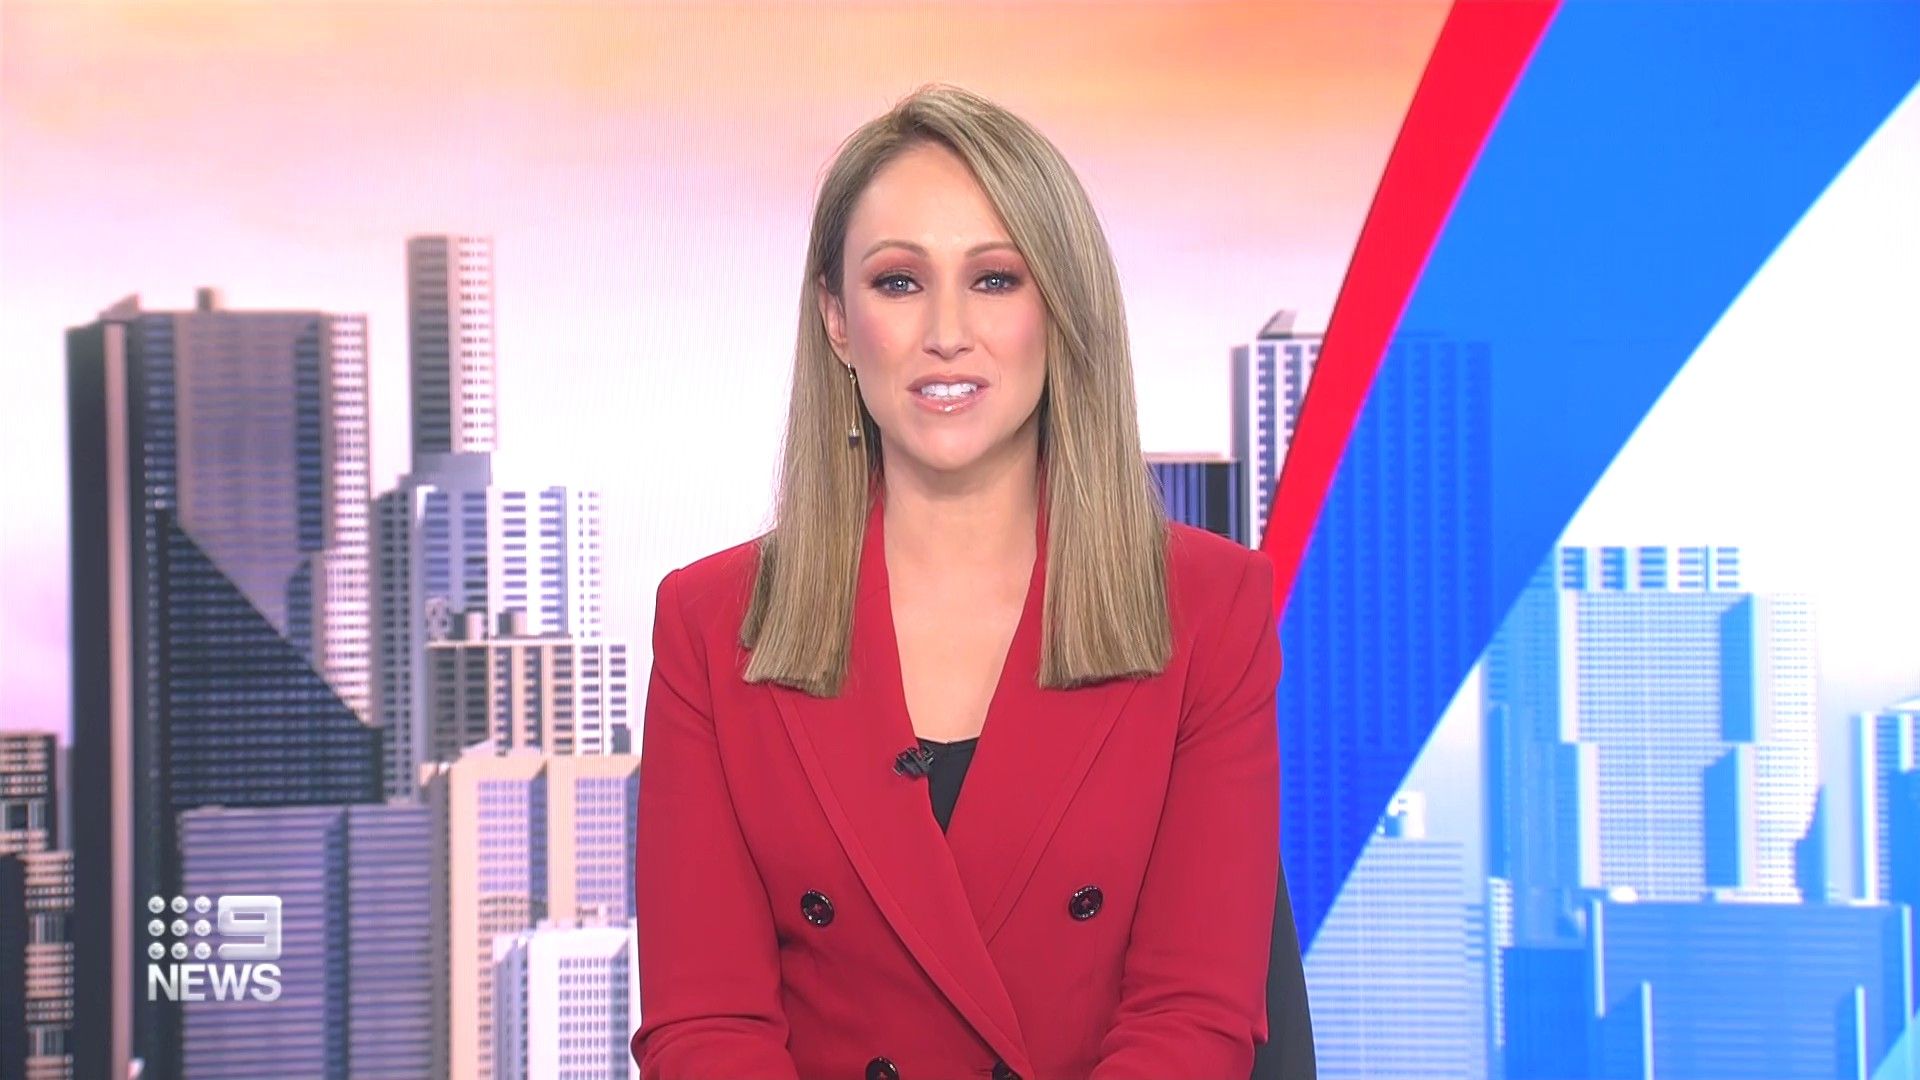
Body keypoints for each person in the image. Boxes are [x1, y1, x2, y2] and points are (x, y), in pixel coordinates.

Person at [631, 82, 1291, 1080]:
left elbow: (1190, 1018)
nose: (947, 330)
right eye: (899, 282)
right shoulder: (709, 625)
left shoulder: (1212, 609)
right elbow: (707, 1027)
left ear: (1058, 309)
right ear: (838, 321)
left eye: (994, 279)